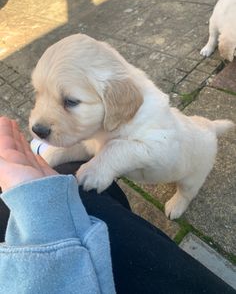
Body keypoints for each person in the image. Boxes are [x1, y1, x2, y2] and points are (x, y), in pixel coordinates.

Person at [0, 116, 234, 294]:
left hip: (199, 146)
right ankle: (45, 152)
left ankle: (186, 195)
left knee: (189, 183)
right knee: (79, 182)